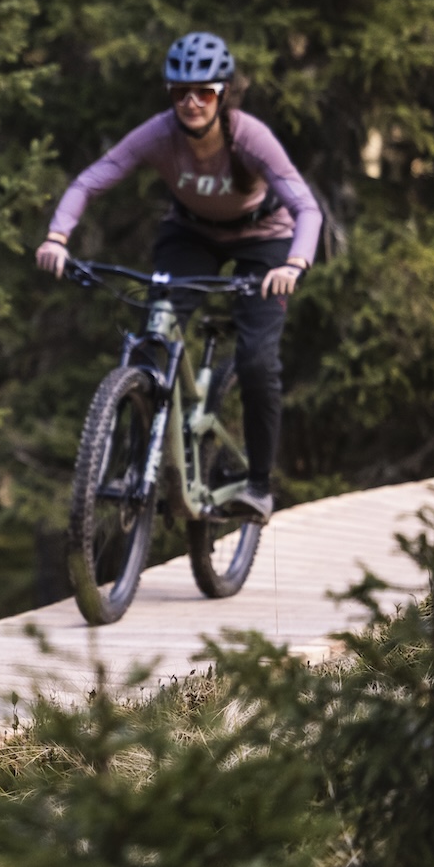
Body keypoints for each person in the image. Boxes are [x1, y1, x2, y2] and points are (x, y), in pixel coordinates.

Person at [34, 32, 322, 518]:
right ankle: (134, 465)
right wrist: (57, 238)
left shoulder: (249, 136)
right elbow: (90, 180)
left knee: (256, 359)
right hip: (190, 235)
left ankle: (258, 484)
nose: (191, 103)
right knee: (151, 341)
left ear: (222, 94)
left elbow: (306, 207)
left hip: (263, 239)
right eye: (179, 93)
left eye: (204, 92)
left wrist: (294, 264)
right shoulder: (158, 134)